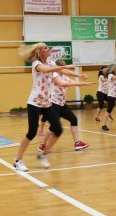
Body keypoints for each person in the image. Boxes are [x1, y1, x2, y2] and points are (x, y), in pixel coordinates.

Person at [13, 43, 76, 171]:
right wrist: (64, 66)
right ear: (40, 52)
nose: (49, 49)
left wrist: (78, 76)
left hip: (47, 103)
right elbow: (46, 70)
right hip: (35, 102)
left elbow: (60, 70)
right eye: (46, 48)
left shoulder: (50, 62)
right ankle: (18, 160)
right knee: (31, 132)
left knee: (58, 129)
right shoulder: (36, 64)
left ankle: (43, 154)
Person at [38, 59, 93, 152]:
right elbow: (61, 83)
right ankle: (42, 145)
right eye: (63, 67)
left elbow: (70, 82)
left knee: (73, 119)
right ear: (58, 67)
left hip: (62, 104)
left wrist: (82, 82)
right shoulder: (54, 74)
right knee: (53, 128)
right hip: (53, 104)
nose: (64, 69)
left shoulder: (63, 76)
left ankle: (77, 143)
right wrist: (79, 83)